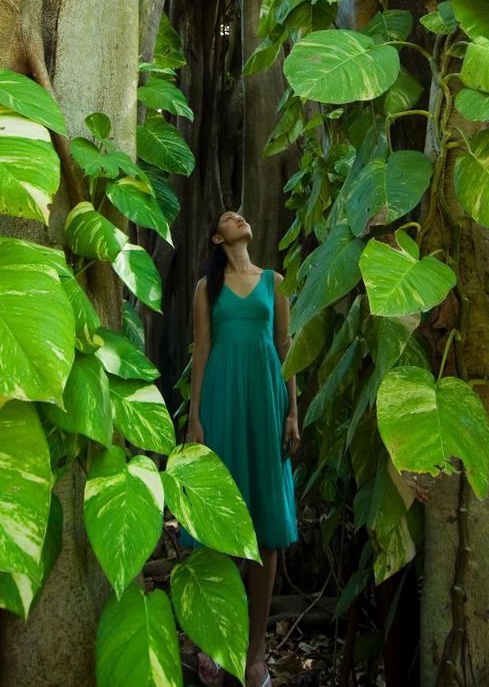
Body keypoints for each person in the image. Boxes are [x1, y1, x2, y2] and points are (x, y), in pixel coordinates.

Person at [182, 209, 300, 687]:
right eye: (229, 218)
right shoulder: (205, 289)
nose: (239, 217)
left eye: (241, 215)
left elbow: (286, 346)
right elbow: (203, 351)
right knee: (221, 525)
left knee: (266, 527)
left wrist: (293, 412)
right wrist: (194, 418)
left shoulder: (276, 282)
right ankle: (217, 641)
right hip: (223, 401)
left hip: (267, 402)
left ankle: (256, 653)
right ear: (218, 237)